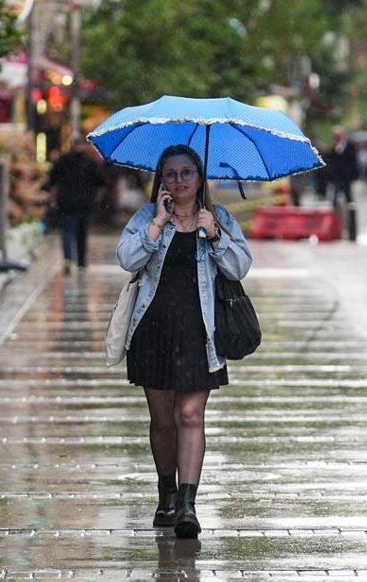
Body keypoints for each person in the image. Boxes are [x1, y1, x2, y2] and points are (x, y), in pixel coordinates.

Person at [116, 145, 252, 539]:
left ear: (199, 176)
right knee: (162, 421)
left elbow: (241, 265)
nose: (179, 181)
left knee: (190, 415)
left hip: (200, 331)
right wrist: (157, 225)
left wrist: (214, 235)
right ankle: (167, 492)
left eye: (187, 172)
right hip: (153, 327)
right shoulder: (147, 217)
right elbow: (126, 259)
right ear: (161, 179)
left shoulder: (219, 217)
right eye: (171, 174)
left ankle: (188, 506)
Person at [47, 136, 108, 274]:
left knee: (67, 232)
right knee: (82, 234)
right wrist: (96, 200)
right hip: (85, 203)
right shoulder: (90, 163)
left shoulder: (62, 161)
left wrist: (53, 200)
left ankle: (68, 258)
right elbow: (102, 183)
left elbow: (52, 182)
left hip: (66, 203)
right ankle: (81, 262)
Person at [327, 127, 358, 207]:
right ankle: (335, 214)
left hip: (347, 175)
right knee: (335, 196)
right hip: (337, 175)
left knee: (348, 195)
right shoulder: (332, 147)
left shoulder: (350, 146)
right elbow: (330, 160)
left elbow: (353, 160)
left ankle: (351, 215)